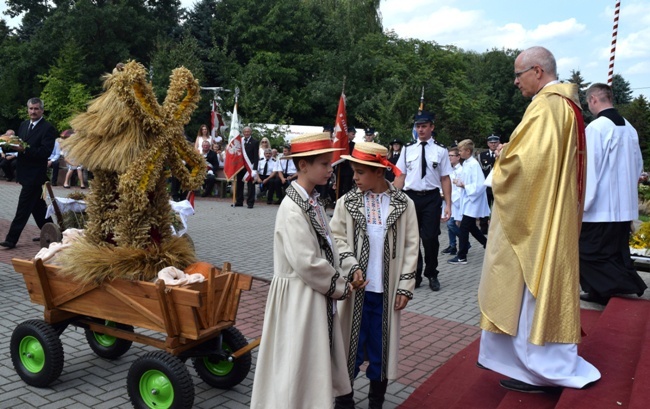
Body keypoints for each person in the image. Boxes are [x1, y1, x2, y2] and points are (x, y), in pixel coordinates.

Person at [477, 46, 600, 393]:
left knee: (531, 288)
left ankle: (539, 370)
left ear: (537, 71)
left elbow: (525, 168)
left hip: (538, 220)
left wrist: (501, 163)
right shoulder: (568, 106)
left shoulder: (546, 108)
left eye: (518, 74)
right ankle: (533, 364)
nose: (515, 82)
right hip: (552, 211)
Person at [250, 132, 362, 409]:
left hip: (312, 293)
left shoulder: (311, 200)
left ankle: (315, 400)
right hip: (300, 295)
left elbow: (328, 245)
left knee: (309, 357)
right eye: (324, 164)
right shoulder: (292, 209)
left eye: (330, 164)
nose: (330, 170)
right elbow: (306, 262)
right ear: (303, 166)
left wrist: (346, 270)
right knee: (297, 359)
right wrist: (341, 286)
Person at [330, 142, 418, 409]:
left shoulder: (404, 203)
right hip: (356, 290)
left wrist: (405, 286)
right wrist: (350, 264)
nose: (354, 177)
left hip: (386, 293)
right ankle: (344, 402)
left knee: (381, 351)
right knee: (349, 349)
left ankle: (376, 403)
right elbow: (336, 237)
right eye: (354, 171)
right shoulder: (347, 201)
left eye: (360, 172)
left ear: (379, 172)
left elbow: (412, 246)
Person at [579, 83, 647, 304]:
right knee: (615, 253)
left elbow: (590, 168)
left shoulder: (596, 128)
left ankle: (626, 285)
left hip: (600, 207)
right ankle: (599, 292)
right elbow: (638, 166)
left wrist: (583, 202)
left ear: (593, 100)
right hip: (623, 207)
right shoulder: (629, 128)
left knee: (587, 252)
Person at [394, 111, 452, 291]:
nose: (420, 129)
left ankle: (432, 273)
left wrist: (448, 204)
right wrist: (393, 197)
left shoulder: (441, 150)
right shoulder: (407, 148)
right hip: (411, 197)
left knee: (430, 238)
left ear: (432, 127)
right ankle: (415, 274)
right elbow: (401, 175)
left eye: (424, 126)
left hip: (432, 198)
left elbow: (445, 178)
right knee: (412, 239)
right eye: (418, 126)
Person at [1, 98, 57, 249]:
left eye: (36, 109)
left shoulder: (48, 128)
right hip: (24, 172)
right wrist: (7, 145)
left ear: (42, 110)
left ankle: (11, 239)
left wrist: (25, 149)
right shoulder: (24, 125)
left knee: (23, 208)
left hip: (35, 175)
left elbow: (45, 152)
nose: (33, 111)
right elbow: (18, 145)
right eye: (31, 108)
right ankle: (53, 234)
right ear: (28, 110)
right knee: (38, 208)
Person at [448, 139, 489, 265]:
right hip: (468, 199)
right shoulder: (466, 163)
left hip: (473, 200)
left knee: (464, 227)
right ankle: (487, 244)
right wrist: (460, 182)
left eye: (460, 151)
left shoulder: (474, 164)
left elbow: (480, 185)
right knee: (471, 227)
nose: (459, 153)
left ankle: (462, 256)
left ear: (468, 151)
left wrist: (465, 186)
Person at [441, 146, 462, 255]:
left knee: (451, 224)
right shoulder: (448, 169)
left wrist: (453, 198)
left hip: (457, 200)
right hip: (448, 199)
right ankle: (452, 245)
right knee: (449, 224)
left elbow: (460, 187)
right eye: (448, 156)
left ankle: (465, 241)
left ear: (458, 157)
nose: (449, 158)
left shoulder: (461, 170)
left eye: (451, 156)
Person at [479, 134, 499, 234]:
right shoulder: (482, 155)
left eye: (495, 142)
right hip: (486, 186)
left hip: (498, 185)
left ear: (498, 143)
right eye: (491, 142)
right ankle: (483, 228)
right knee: (485, 207)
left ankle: (497, 228)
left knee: (497, 208)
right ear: (488, 143)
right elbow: (482, 168)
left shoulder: (502, 154)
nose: (493, 144)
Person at [235, 126, 259, 208]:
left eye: (248, 132)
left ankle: (250, 202)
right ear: (243, 132)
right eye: (245, 132)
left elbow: (256, 156)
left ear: (250, 132)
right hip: (240, 166)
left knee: (250, 185)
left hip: (250, 167)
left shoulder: (255, 142)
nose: (246, 133)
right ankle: (239, 201)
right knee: (239, 184)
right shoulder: (240, 141)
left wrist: (255, 169)